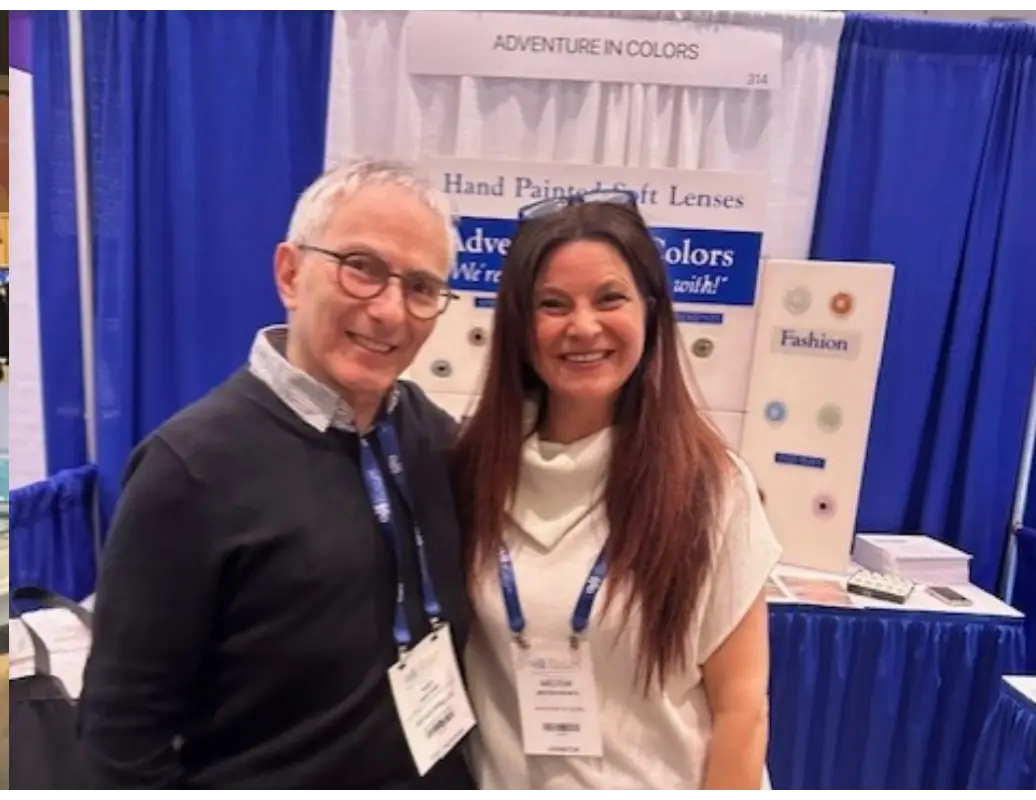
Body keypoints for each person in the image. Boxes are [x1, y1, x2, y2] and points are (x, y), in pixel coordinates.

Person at [79, 159, 478, 792]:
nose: (390, 311)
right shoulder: (191, 470)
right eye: (362, 269)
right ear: (290, 274)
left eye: (422, 287)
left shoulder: (433, 437)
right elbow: (123, 735)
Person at [451, 192, 782, 791]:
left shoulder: (710, 488)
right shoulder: (471, 474)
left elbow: (743, 710)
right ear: (519, 328)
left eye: (610, 299)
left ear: (651, 313)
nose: (583, 327)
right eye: (552, 305)